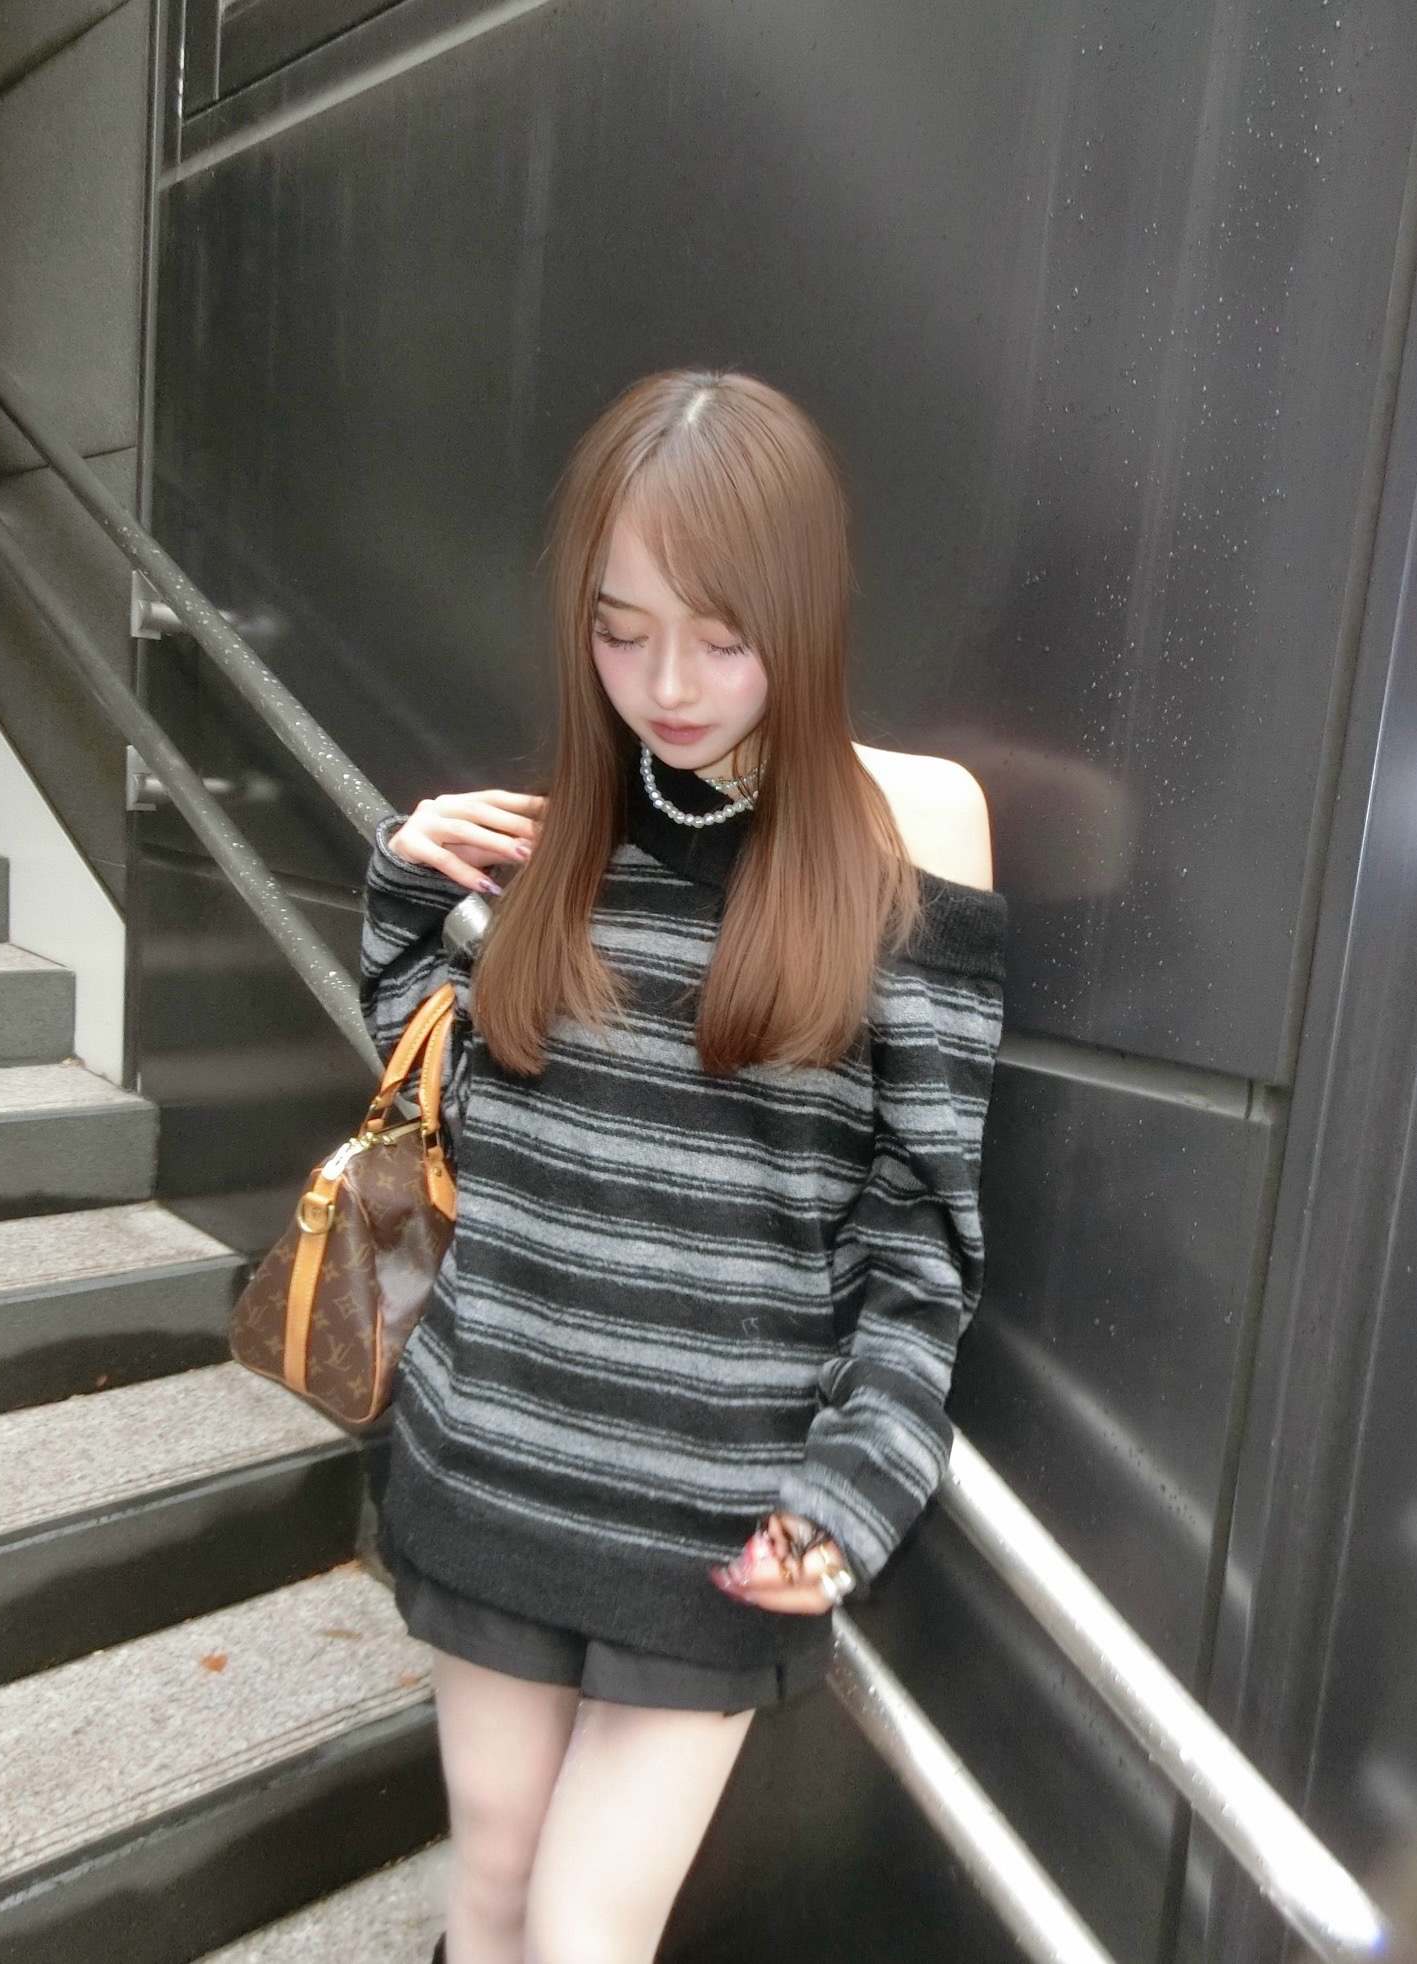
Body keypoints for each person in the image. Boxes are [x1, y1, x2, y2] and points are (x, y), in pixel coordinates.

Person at [358, 370, 1005, 1964]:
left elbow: (922, 1234)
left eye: (721, 636)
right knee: (491, 1879)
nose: (665, 685)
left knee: (587, 1924)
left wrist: (855, 1485)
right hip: (489, 1448)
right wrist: (403, 896)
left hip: (712, 1511)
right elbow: (453, 1103)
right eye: (618, 629)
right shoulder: (558, 830)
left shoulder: (912, 830)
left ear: (806, 609)